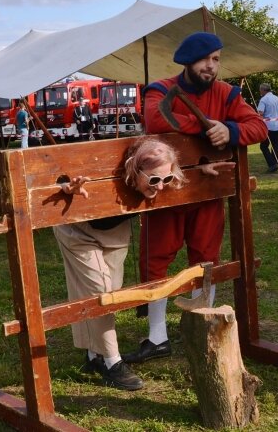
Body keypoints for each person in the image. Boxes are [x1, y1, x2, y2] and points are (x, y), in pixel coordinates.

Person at [124, 31, 268, 364]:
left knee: (205, 259)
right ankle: (156, 337)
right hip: (167, 193)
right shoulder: (161, 89)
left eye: (216, 59)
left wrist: (230, 130)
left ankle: (202, 328)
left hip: (207, 195)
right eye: (205, 59)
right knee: (155, 261)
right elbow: (157, 118)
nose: (211, 66)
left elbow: (257, 126)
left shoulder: (228, 94)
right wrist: (206, 128)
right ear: (189, 61)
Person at [53, 137, 186, 390]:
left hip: (115, 233)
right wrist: (66, 187)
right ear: (135, 170)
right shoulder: (110, 169)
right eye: (154, 179)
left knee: (109, 293)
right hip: (77, 230)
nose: (160, 187)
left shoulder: (162, 183)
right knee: (100, 292)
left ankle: (94, 356)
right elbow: (55, 173)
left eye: (166, 179)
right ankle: (113, 362)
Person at [257, 82, 278, 173]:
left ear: (263, 90)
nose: (260, 91)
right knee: (276, 146)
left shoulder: (264, 99)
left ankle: (272, 164)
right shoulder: (276, 98)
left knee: (263, 146)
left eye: (260, 90)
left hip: (268, 127)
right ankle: (276, 163)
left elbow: (260, 113)